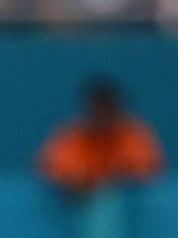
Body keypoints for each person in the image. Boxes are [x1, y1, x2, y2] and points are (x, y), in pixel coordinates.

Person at [36, 77, 164, 194]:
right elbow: (52, 169)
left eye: (108, 109)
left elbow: (147, 171)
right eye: (98, 110)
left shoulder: (135, 135)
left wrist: (116, 178)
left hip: (128, 207)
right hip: (78, 207)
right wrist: (81, 181)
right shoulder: (72, 136)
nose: (103, 116)